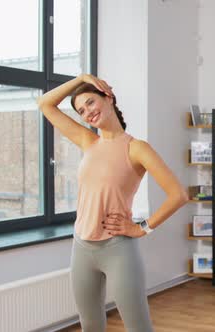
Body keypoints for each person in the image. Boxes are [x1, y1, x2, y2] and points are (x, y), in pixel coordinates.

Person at [37, 74, 188, 332]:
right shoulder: (88, 141)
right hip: (82, 248)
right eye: (81, 111)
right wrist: (81, 79)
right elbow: (45, 104)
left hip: (117, 250)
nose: (87, 113)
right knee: (91, 326)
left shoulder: (137, 148)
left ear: (108, 97)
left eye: (90, 103)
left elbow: (178, 194)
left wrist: (142, 228)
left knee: (138, 327)